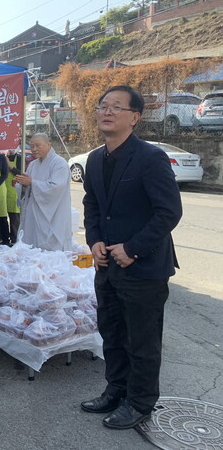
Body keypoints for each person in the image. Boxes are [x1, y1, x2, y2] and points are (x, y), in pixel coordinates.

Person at [79, 85, 182, 429]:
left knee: (142, 340)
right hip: (106, 264)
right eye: (103, 105)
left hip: (144, 268)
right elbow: (92, 204)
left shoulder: (150, 157)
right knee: (111, 333)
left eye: (116, 107)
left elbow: (169, 212)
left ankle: (139, 402)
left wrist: (133, 248)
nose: (107, 111)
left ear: (135, 117)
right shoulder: (95, 159)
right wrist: (94, 240)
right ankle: (116, 390)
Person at [15, 133, 72, 251]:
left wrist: (32, 182)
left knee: (50, 248)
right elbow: (27, 188)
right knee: (31, 246)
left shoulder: (59, 163)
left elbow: (56, 188)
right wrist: (23, 184)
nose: (34, 149)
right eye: (32, 146)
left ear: (48, 144)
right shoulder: (33, 164)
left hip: (53, 213)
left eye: (38, 145)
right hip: (33, 212)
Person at [4, 149, 23, 245]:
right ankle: (2, 237)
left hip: (14, 191)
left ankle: (15, 238)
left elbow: (21, 173)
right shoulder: (3, 157)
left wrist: (10, 167)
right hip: (3, 190)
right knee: (1, 217)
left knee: (14, 217)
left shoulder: (20, 158)